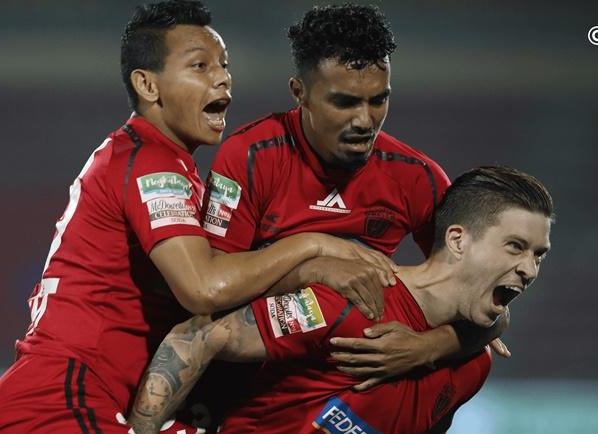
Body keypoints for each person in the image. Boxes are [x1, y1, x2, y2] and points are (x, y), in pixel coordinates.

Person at [0, 2, 395, 433]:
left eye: (224, 65)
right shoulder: (150, 162)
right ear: (148, 85)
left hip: (79, 401)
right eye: (200, 65)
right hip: (60, 404)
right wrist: (315, 245)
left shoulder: (157, 165)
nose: (222, 77)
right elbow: (204, 288)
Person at [152, 4, 510, 432]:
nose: (365, 120)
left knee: (468, 362)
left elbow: (487, 304)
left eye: (379, 100)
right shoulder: (251, 156)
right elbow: (210, 293)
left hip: (345, 376)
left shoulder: (417, 179)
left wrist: (428, 347)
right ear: (299, 92)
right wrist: (313, 267)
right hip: (246, 368)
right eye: (344, 102)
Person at [129, 166, 554, 434]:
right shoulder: (354, 299)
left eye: (539, 255)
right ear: (458, 240)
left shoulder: (473, 365)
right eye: (515, 247)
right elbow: (196, 339)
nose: (530, 270)